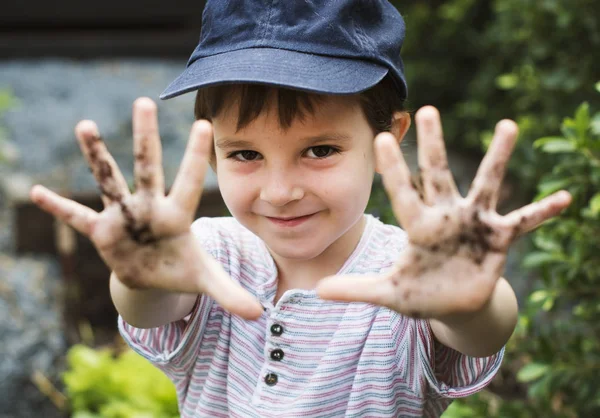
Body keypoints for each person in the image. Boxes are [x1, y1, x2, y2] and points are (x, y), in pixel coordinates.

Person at [29, 0, 572, 416]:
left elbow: (479, 330)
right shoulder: (207, 256)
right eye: (245, 153)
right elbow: (149, 306)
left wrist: (468, 303)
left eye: (320, 150)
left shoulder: (413, 275)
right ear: (211, 148)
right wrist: (140, 278)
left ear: (390, 136)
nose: (280, 189)